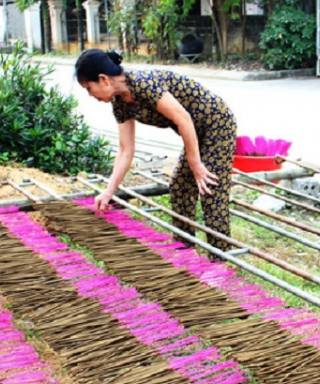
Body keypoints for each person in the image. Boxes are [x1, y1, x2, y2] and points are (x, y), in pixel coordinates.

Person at [75, 49, 237, 252]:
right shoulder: (120, 104)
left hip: (217, 124)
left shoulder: (142, 83)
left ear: (103, 80)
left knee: (209, 189)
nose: (90, 95)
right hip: (194, 133)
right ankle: (185, 252)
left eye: (88, 88)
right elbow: (126, 150)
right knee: (179, 186)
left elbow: (183, 118)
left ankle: (221, 260)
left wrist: (196, 166)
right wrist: (108, 192)